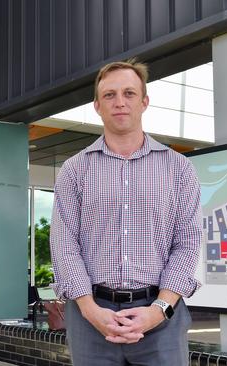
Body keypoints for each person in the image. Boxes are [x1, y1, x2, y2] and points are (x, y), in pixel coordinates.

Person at [50, 59, 203, 366]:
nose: (120, 102)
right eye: (109, 95)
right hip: (89, 316)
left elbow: (188, 242)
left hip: (161, 317)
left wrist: (158, 309)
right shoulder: (75, 170)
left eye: (129, 93)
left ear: (144, 102)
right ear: (97, 105)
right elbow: (64, 244)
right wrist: (90, 310)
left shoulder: (178, 168)